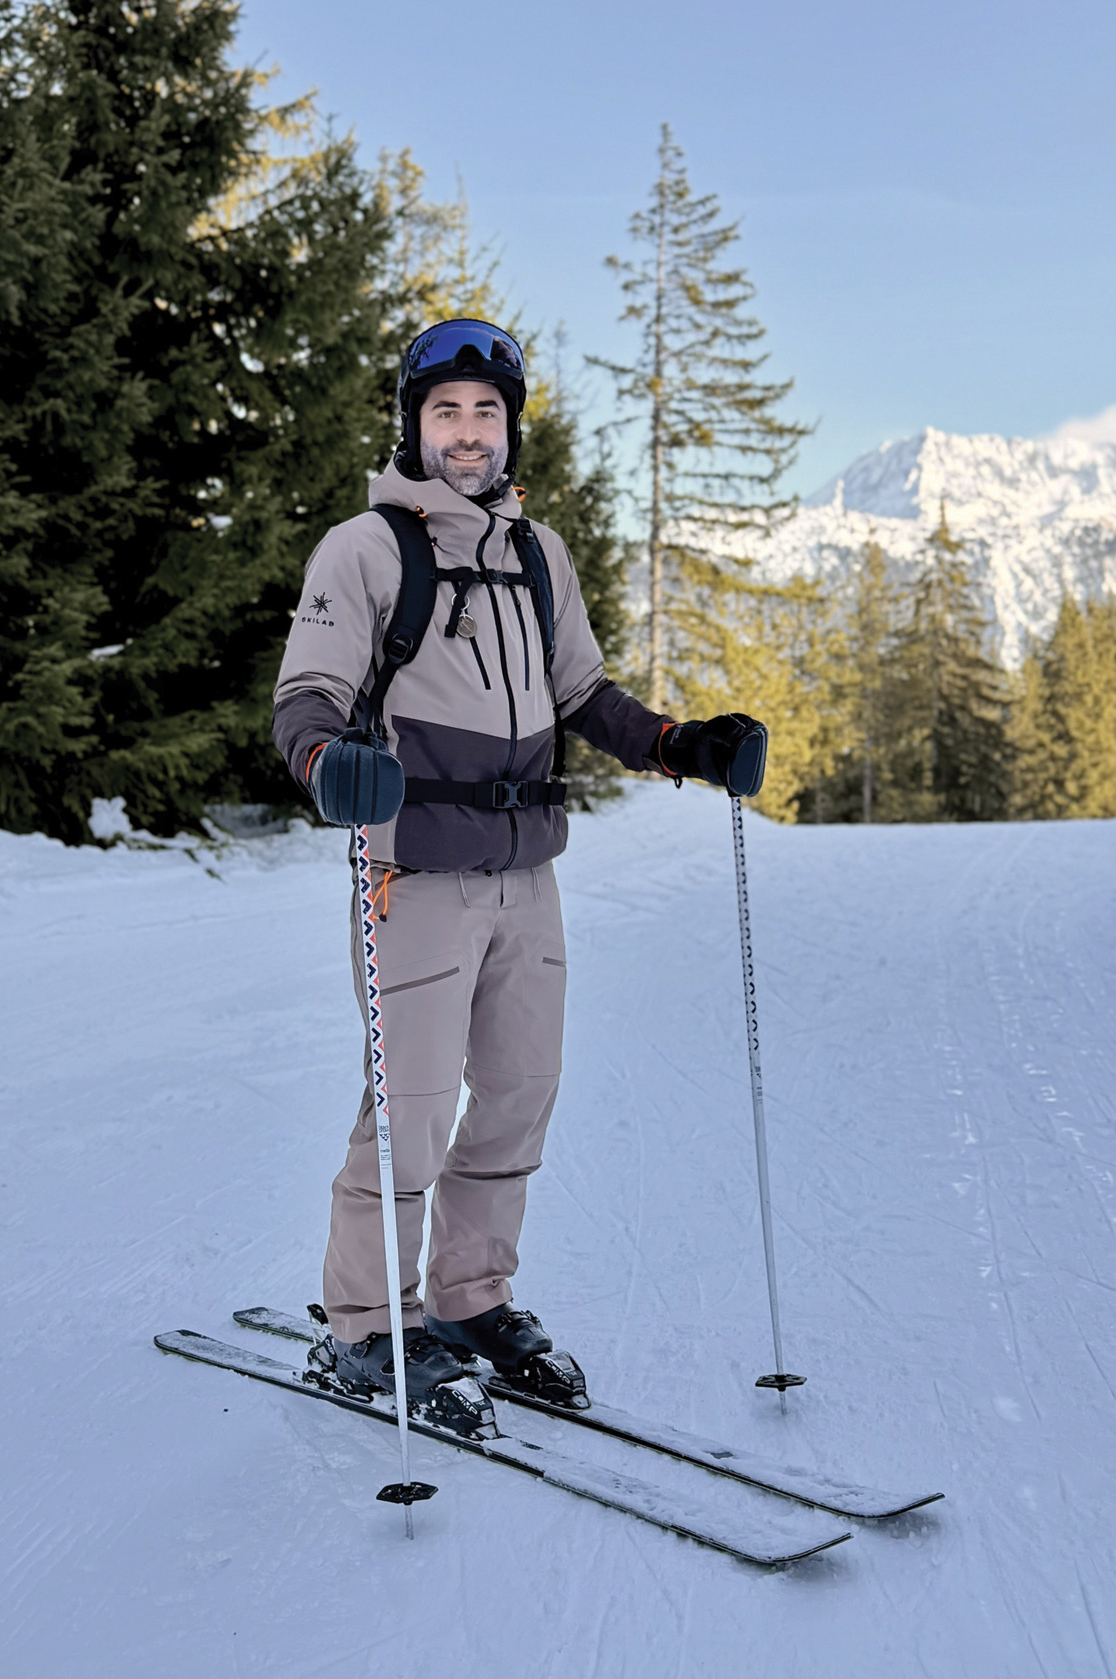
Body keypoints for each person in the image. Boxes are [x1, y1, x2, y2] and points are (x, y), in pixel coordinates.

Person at [271, 318, 766, 1408]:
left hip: (525, 877)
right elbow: (306, 694)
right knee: (410, 1106)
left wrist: (679, 744)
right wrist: (325, 761)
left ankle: (467, 1293)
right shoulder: (364, 549)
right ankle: (366, 1322)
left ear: (509, 430)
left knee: (518, 1092)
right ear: (413, 426)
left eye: (485, 412)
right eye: (444, 410)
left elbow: (582, 692)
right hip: (411, 874)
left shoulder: (537, 555)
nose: (466, 430)